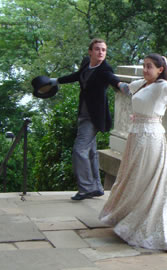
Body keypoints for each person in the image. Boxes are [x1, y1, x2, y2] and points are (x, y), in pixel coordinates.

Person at [99, 53, 167, 253]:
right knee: (133, 175)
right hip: (136, 134)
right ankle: (129, 212)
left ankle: (146, 219)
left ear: (160, 69)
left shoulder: (161, 86)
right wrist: (106, 74)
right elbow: (123, 88)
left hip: (151, 137)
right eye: (144, 66)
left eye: (149, 66)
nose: (145, 69)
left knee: (147, 176)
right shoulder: (142, 84)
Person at [49, 38, 127, 201]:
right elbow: (77, 76)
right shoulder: (86, 64)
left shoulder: (104, 69)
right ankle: (96, 187)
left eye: (104, 50)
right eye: (97, 49)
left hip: (94, 117)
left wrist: (123, 87)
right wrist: (56, 81)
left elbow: (113, 79)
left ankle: (85, 189)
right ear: (90, 52)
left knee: (80, 149)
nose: (101, 52)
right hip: (83, 114)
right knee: (90, 151)